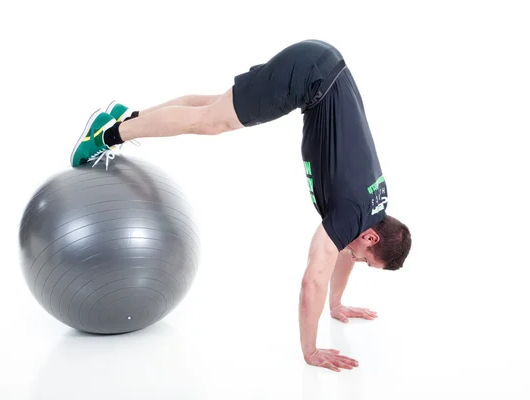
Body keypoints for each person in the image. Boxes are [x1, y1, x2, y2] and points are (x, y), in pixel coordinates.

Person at [70, 39, 412, 372]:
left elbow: (345, 252)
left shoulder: (373, 208)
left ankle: (129, 116)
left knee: (214, 108)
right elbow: (313, 281)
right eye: (366, 260)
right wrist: (310, 351)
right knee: (210, 122)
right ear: (371, 238)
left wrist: (336, 304)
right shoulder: (353, 215)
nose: (356, 259)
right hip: (311, 77)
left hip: (321, 70)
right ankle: (106, 134)